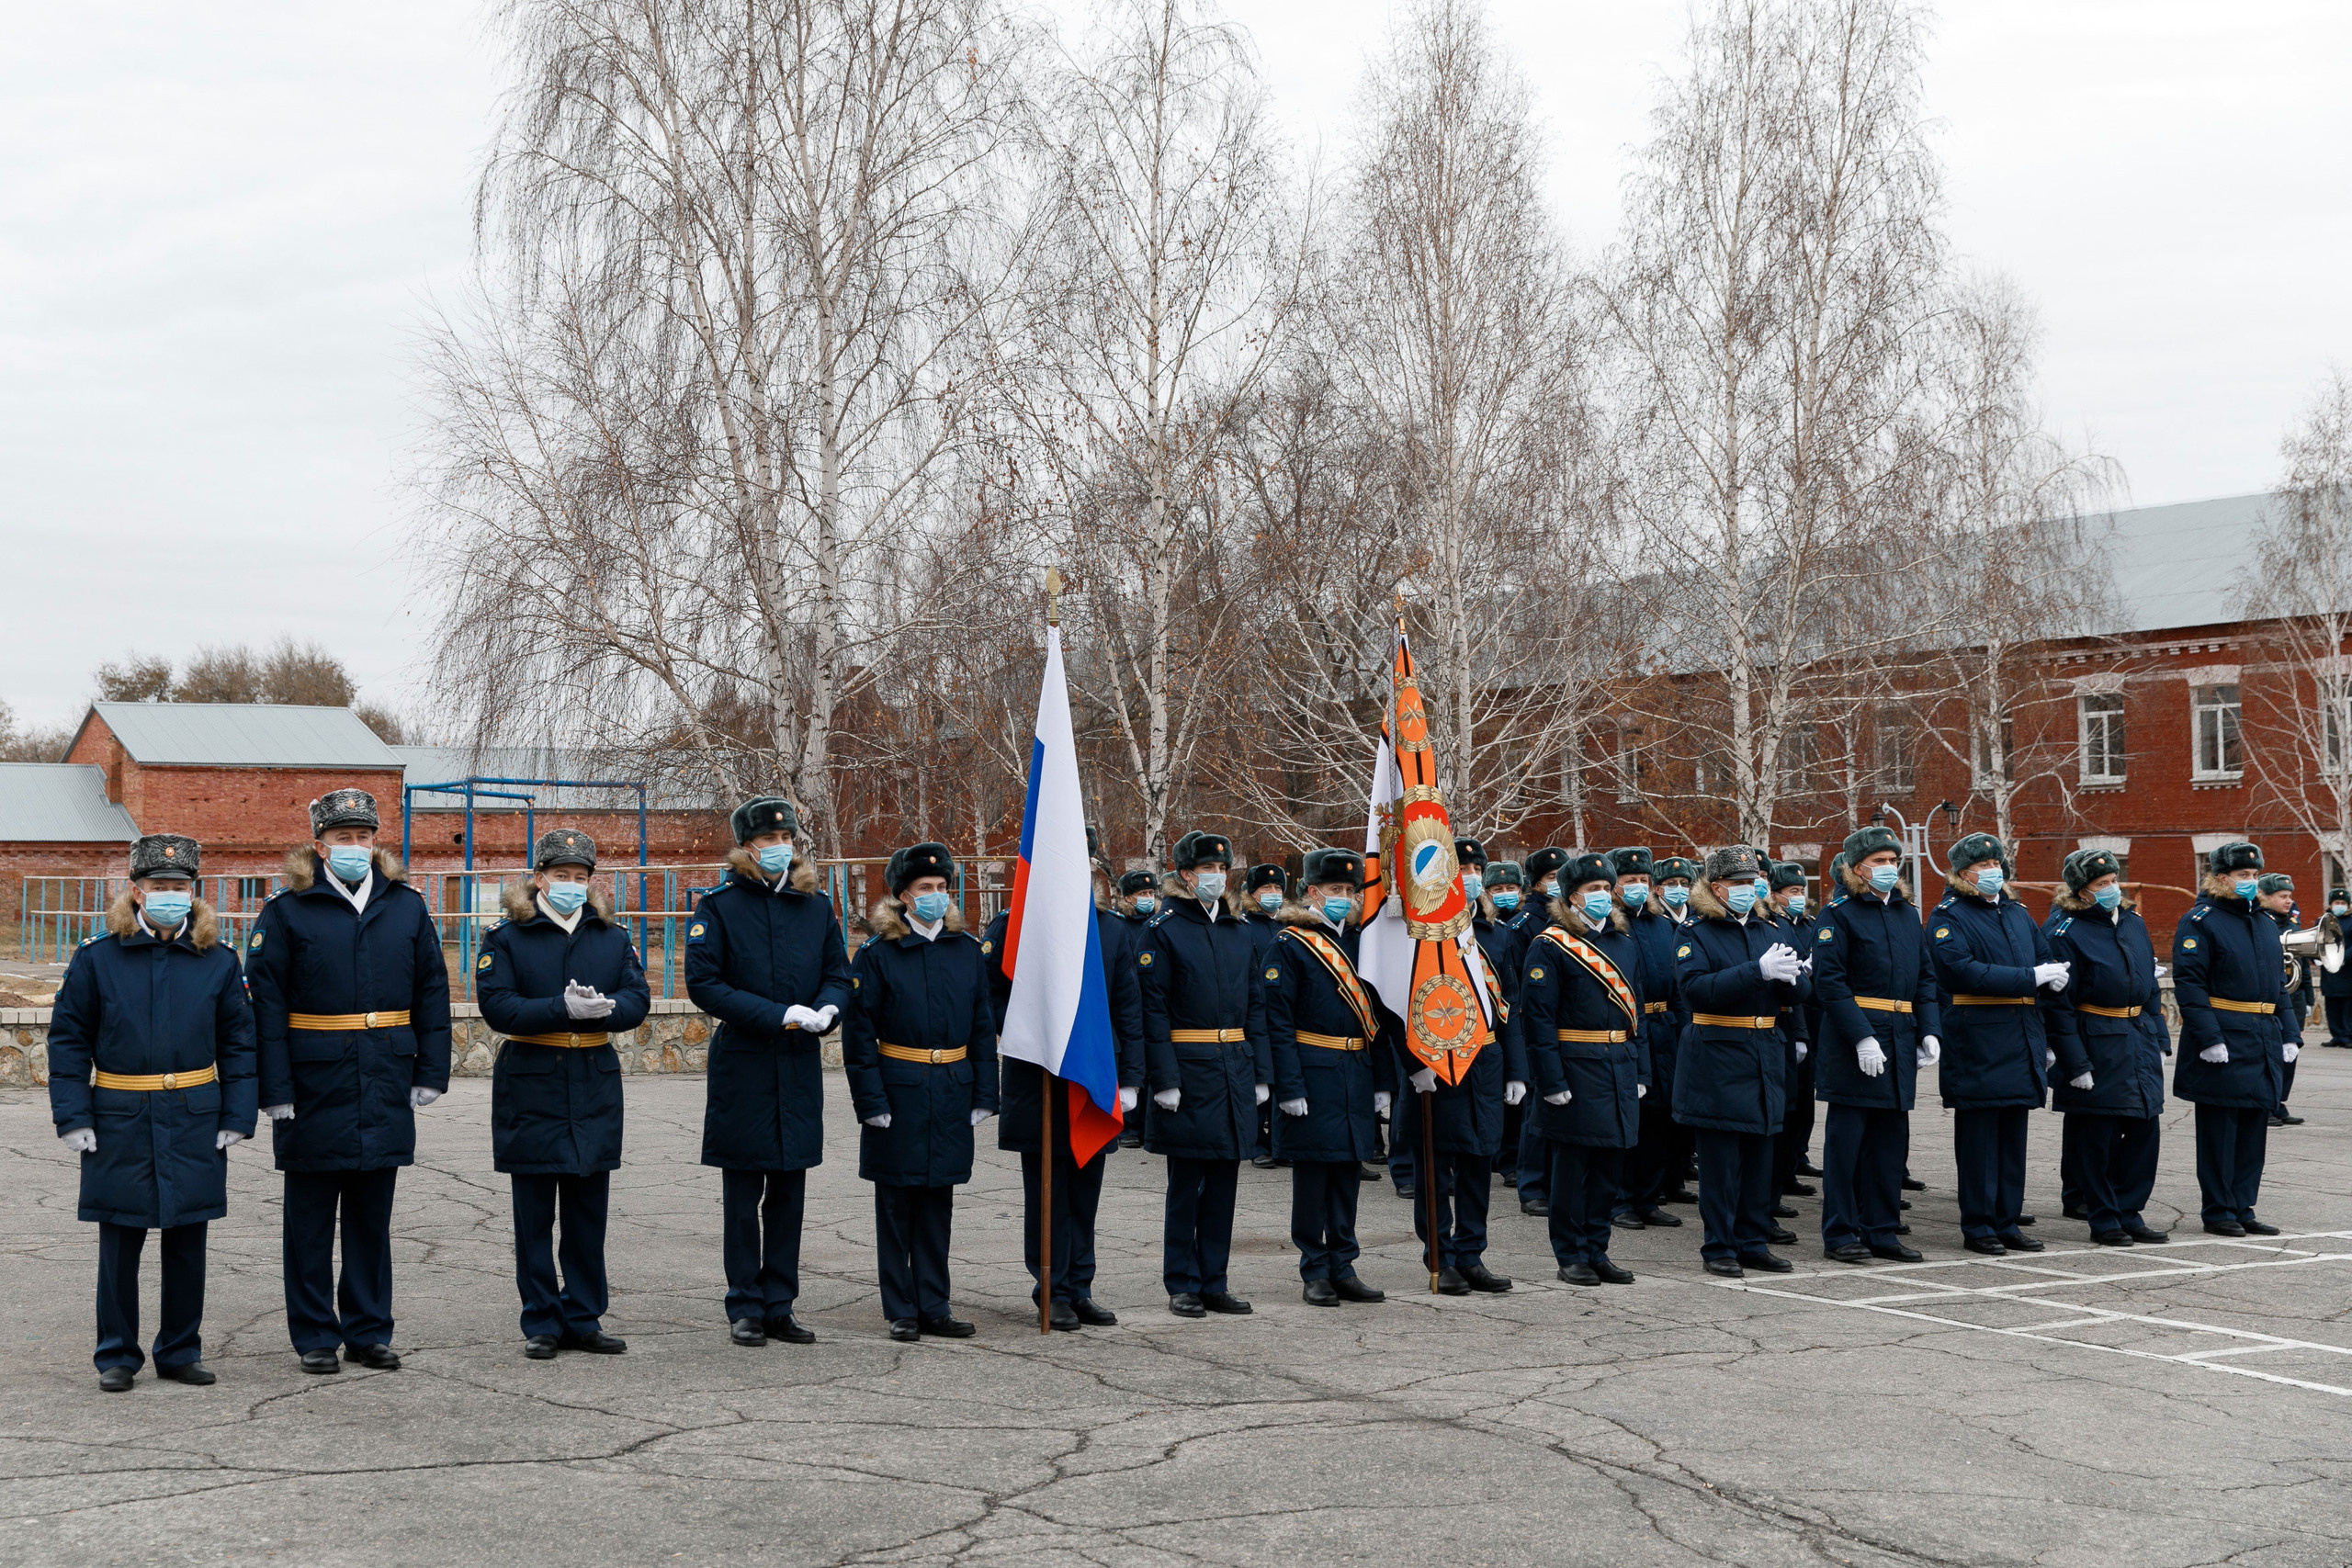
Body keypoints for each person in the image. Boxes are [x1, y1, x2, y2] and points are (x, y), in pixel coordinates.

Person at [247, 789, 452, 1374]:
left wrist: (431, 1070)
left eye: (364, 837)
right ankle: (315, 1335)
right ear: (320, 846)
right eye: (343, 838)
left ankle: (368, 1331)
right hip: (313, 1083)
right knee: (309, 1221)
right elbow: (265, 1006)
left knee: (370, 1219)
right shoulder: (287, 911)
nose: (356, 848)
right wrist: (275, 1089)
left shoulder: (406, 906)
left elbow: (432, 992)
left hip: (385, 1075)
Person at [48, 834, 255, 1392]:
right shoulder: (98, 957)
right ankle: (117, 1354)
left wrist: (238, 1113)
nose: (170, 895)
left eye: (179, 887)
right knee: (120, 1240)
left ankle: (181, 1350)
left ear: (194, 894)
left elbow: (239, 1043)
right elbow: (68, 1041)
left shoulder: (217, 960)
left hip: (194, 1113)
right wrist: (73, 1116)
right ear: (136, 893)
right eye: (159, 886)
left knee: (188, 1239)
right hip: (119, 1114)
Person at [685, 796, 853, 1348]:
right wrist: (778, 1014)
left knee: (789, 1192)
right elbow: (705, 984)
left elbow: (837, 972)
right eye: (769, 842)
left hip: (798, 1064)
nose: (780, 849)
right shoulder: (720, 906)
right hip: (746, 1063)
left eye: (787, 840)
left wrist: (828, 1008)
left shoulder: (815, 906)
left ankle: (780, 1303)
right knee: (742, 1193)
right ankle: (745, 1305)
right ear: (748, 848)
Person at [476, 829, 650, 1359]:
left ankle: (583, 1316)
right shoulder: (507, 937)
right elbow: (498, 1006)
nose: (571, 885)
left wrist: (607, 1010)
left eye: (580, 877)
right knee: (534, 1214)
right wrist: (561, 1008)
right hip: (532, 1079)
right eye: (560, 875)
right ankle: (541, 1321)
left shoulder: (611, 937)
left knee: (586, 1212)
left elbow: (637, 997)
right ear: (539, 878)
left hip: (592, 1076)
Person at [841, 843, 998, 1340]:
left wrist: (983, 1095)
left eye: (942, 887)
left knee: (938, 1202)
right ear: (904, 895)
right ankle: (902, 1307)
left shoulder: (967, 951)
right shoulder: (879, 954)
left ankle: (935, 1303)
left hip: (951, 1088)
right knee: (897, 1203)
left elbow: (981, 1026)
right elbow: (859, 1036)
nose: (936, 896)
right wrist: (871, 1102)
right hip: (900, 1090)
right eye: (925, 888)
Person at [981, 873, 1141, 1332]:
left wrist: (1130, 1078)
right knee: (1048, 1191)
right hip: (1040, 1076)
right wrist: (1029, 1033)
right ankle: (1051, 1290)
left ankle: (1081, 1287)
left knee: (1085, 1191)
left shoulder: (1108, 928)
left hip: (1092, 1077)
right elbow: (989, 992)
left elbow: (1129, 1006)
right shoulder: (1016, 925)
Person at [1138, 830, 1270, 1318]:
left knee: (1224, 1182)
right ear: (1186, 876)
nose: (1217, 878)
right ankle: (1182, 1281)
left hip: (1233, 1067)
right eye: (1206, 871)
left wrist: (1261, 1073)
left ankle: (1214, 1279)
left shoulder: (1239, 931)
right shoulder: (1164, 930)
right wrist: (1164, 1079)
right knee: (1187, 1182)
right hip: (1189, 1070)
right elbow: (1153, 1012)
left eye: (1222, 870)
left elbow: (1256, 1005)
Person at [1926, 832, 2067, 1258]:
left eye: (1996, 865)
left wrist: (2053, 980)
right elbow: (1961, 972)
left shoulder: (2017, 913)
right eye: (1983, 867)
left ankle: (2008, 1220)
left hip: (2020, 1033)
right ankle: (1980, 1224)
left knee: (2012, 1139)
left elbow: (2043, 957)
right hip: (1978, 1036)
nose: (1993, 872)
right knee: (1980, 1141)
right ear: (1962, 873)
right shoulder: (1948, 916)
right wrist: (2031, 978)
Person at [1265, 849, 1395, 1304]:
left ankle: (1344, 1264)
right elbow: (1276, 1023)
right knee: (1314, 1175)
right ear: (1311, 892)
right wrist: (1290, 1087)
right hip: (1313, 1072)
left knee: (1347, 1173)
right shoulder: (1290, 943)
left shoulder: (1362, 944)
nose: (1344, 897)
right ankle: (1314, 1268)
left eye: (1349, 890)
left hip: (1355, 1071)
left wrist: (1382, 1083)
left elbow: (1377, 1019)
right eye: (1335, 890)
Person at [1674, 845, 1808, 1278]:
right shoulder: (1695, 932)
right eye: (1739, 884)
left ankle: (1753, 1241)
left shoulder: (1769, 929)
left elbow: (1799, 993)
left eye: (1753, 883)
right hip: (1717, 1049)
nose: (1749, 891)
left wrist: (1796, 978)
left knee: (1759, 1156)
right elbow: (1696, 989)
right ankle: (1719, 1246)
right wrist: (1758, 972)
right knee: (1721, 1162)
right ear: (1716, 888)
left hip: (1763, 1049)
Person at [1809, 827, 1940, 1264]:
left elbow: (1925, 977)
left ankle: (1881, 1229)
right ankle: (1841, 1232)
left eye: (1892, 860)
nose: (1887, 868)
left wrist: (1929, 1030)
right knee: (1847, 1146)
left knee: (1889, 1145)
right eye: (1878, 861)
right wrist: (1862, 1036)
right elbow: (1829, 983)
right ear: (1857, 867)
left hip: (1900, 1037)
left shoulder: (1906, 913)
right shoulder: (1839, 914)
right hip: (1856, 1042)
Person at [1522, 852, 1650, 1285]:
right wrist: (1550, 1081)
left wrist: (1642, 1073)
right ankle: (1570, 1254)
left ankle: (1598, 1249)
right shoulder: (1550, 944)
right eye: (1591, 889)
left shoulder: (1623, 941)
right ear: (1571, 896)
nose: (1601, 896)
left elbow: (1639, 1016)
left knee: (1608, 1170)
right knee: (1572, 1171)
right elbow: (1538, 1021)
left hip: (1619, 1066)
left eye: (1605, 888)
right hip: (1576, 1069)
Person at [2041, 848, 2170, 1247]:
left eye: (2114, 881)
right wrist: (2074, 1063)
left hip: (2137, 1037)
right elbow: (2058, 1007)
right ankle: (2103, 1217)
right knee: (2097, 1137)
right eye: (2102, 884)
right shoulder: (2065, 932)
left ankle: (2129, 1211)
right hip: (2095, 1039)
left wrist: (2159, 1034)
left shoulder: (2132, 922)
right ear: (2082, 892)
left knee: (2144, 1129)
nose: (2112, 889)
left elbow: (2148, 981)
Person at [2172, 841, 2292, 1237]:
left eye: (2255, 876)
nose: (2251, 882)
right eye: (2243, 876)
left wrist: (2289, 1034)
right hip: (2224, 1036)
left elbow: (2277, 985)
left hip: (2261, 1036)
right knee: (2220, 1130)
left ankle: (2243, 1206)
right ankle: (2219, 1209)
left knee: (2253, 1127)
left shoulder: (2262, 922)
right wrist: (2208, 1037)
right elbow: (2189, 982)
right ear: (2221, 877)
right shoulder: (2201, 920)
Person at [1609, 848, 1685, 1230]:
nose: (1638, 887)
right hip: (1628, 1029)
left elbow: (1678, 981)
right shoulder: (1612, 925)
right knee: (1629, 1116)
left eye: (1643, 881)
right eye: (1629, 881)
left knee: (1660, 1116)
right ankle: (1619, 1200)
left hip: (1664, 1027)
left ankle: (1648, 1196)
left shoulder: (1662, 925)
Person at [1510, 846, 1571, 1216]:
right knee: (1537, 1106)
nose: (1560, 883)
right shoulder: (1525, 925)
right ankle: (1531, 1184)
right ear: (1536, 884)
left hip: (1566, 1026)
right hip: (1533, 1023)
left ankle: (1551, 1181)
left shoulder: (1565, 918)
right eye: (1553, 877)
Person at [1767, 860, 1820, 1208]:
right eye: (1792, 892)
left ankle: (1794, 1160)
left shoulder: (1811, 925)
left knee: (1803, 1101)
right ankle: (1780, 1175)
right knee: (1783, 1105)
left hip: (1808, 1015)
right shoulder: (1776, 925)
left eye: (1802, 891)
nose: (1799, 897)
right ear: (1777, 895)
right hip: (1782, 1016)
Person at [1481, 858, 1534, 1198]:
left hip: (1514, 1015)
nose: (1505, 895)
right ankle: (1496, 1155)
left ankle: (1511, 1158)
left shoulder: (1519, 926)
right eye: (1497, 889)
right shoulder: (1487, 927)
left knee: (1515, 1095)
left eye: (1511, 888)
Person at [1103, 870, 1160, 1148]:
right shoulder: (1120, 925)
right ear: (1128, 897)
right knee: (1131, 1064)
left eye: (1151, 893)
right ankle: (1129, 1126)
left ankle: (1147, 1123)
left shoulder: (1158, 924)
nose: (1149, 899)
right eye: (1142, 894)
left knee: (1152, 1066)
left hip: (1153, 1003)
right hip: (1129, 1003)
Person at [1243, 863, 1290, 1170]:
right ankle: (1258, 1143)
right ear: (1253, 893)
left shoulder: (1288, 923)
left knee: (1284, 1076)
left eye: (1277, 889)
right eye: (1266, 889)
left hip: (1285, 1011)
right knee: (1261, 1075)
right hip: (1256, 1011)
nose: (1273, 894)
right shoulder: (1244, 925)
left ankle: (1280, 1141)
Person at [2257, 874, 2307, 1127]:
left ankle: (2279, 1101)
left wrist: (2307, 998)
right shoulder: (2260, 923)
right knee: (2271, 1053)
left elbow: (2303, 966)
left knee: (2291, 1052)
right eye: (2283, 896)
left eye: (2290, 896)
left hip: (2293, 999)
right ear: (2265, 897)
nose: (2289, 901)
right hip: (2270, 1000)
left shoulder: (2293, 925)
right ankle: (2266, 1104)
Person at [2319, 886, 2352, 1049]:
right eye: (2336, 902)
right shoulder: (2324, 920)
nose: (2339, 905)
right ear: (2330, 904)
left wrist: (2342, 957)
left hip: (2347, 970)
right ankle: (2336, 1035)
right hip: (2329, 972)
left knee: (2347, 1005)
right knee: (2332, 1005)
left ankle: (2347, 1035)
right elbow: (2317, 941)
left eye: (2343, 902)